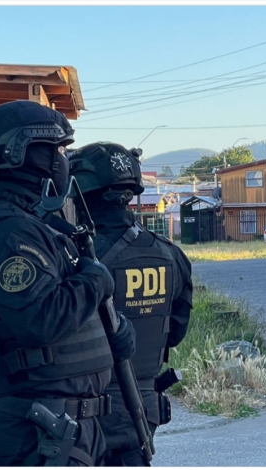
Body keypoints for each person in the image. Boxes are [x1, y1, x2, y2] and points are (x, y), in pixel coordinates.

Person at [0, 101, 137, 466]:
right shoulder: (7, 233)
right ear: (23, 152)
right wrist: (95, 281)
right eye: (57, 150)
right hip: (36, 437)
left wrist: (112, 331)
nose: (62, 160)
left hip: (62, 432)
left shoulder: (34, 225)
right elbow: (42, 319)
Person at [69, 142, 192, 466]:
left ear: (81, 192)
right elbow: (175, 334)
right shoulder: (170, 254)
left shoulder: (71, 257)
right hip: (143, 407)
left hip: (82, 412)